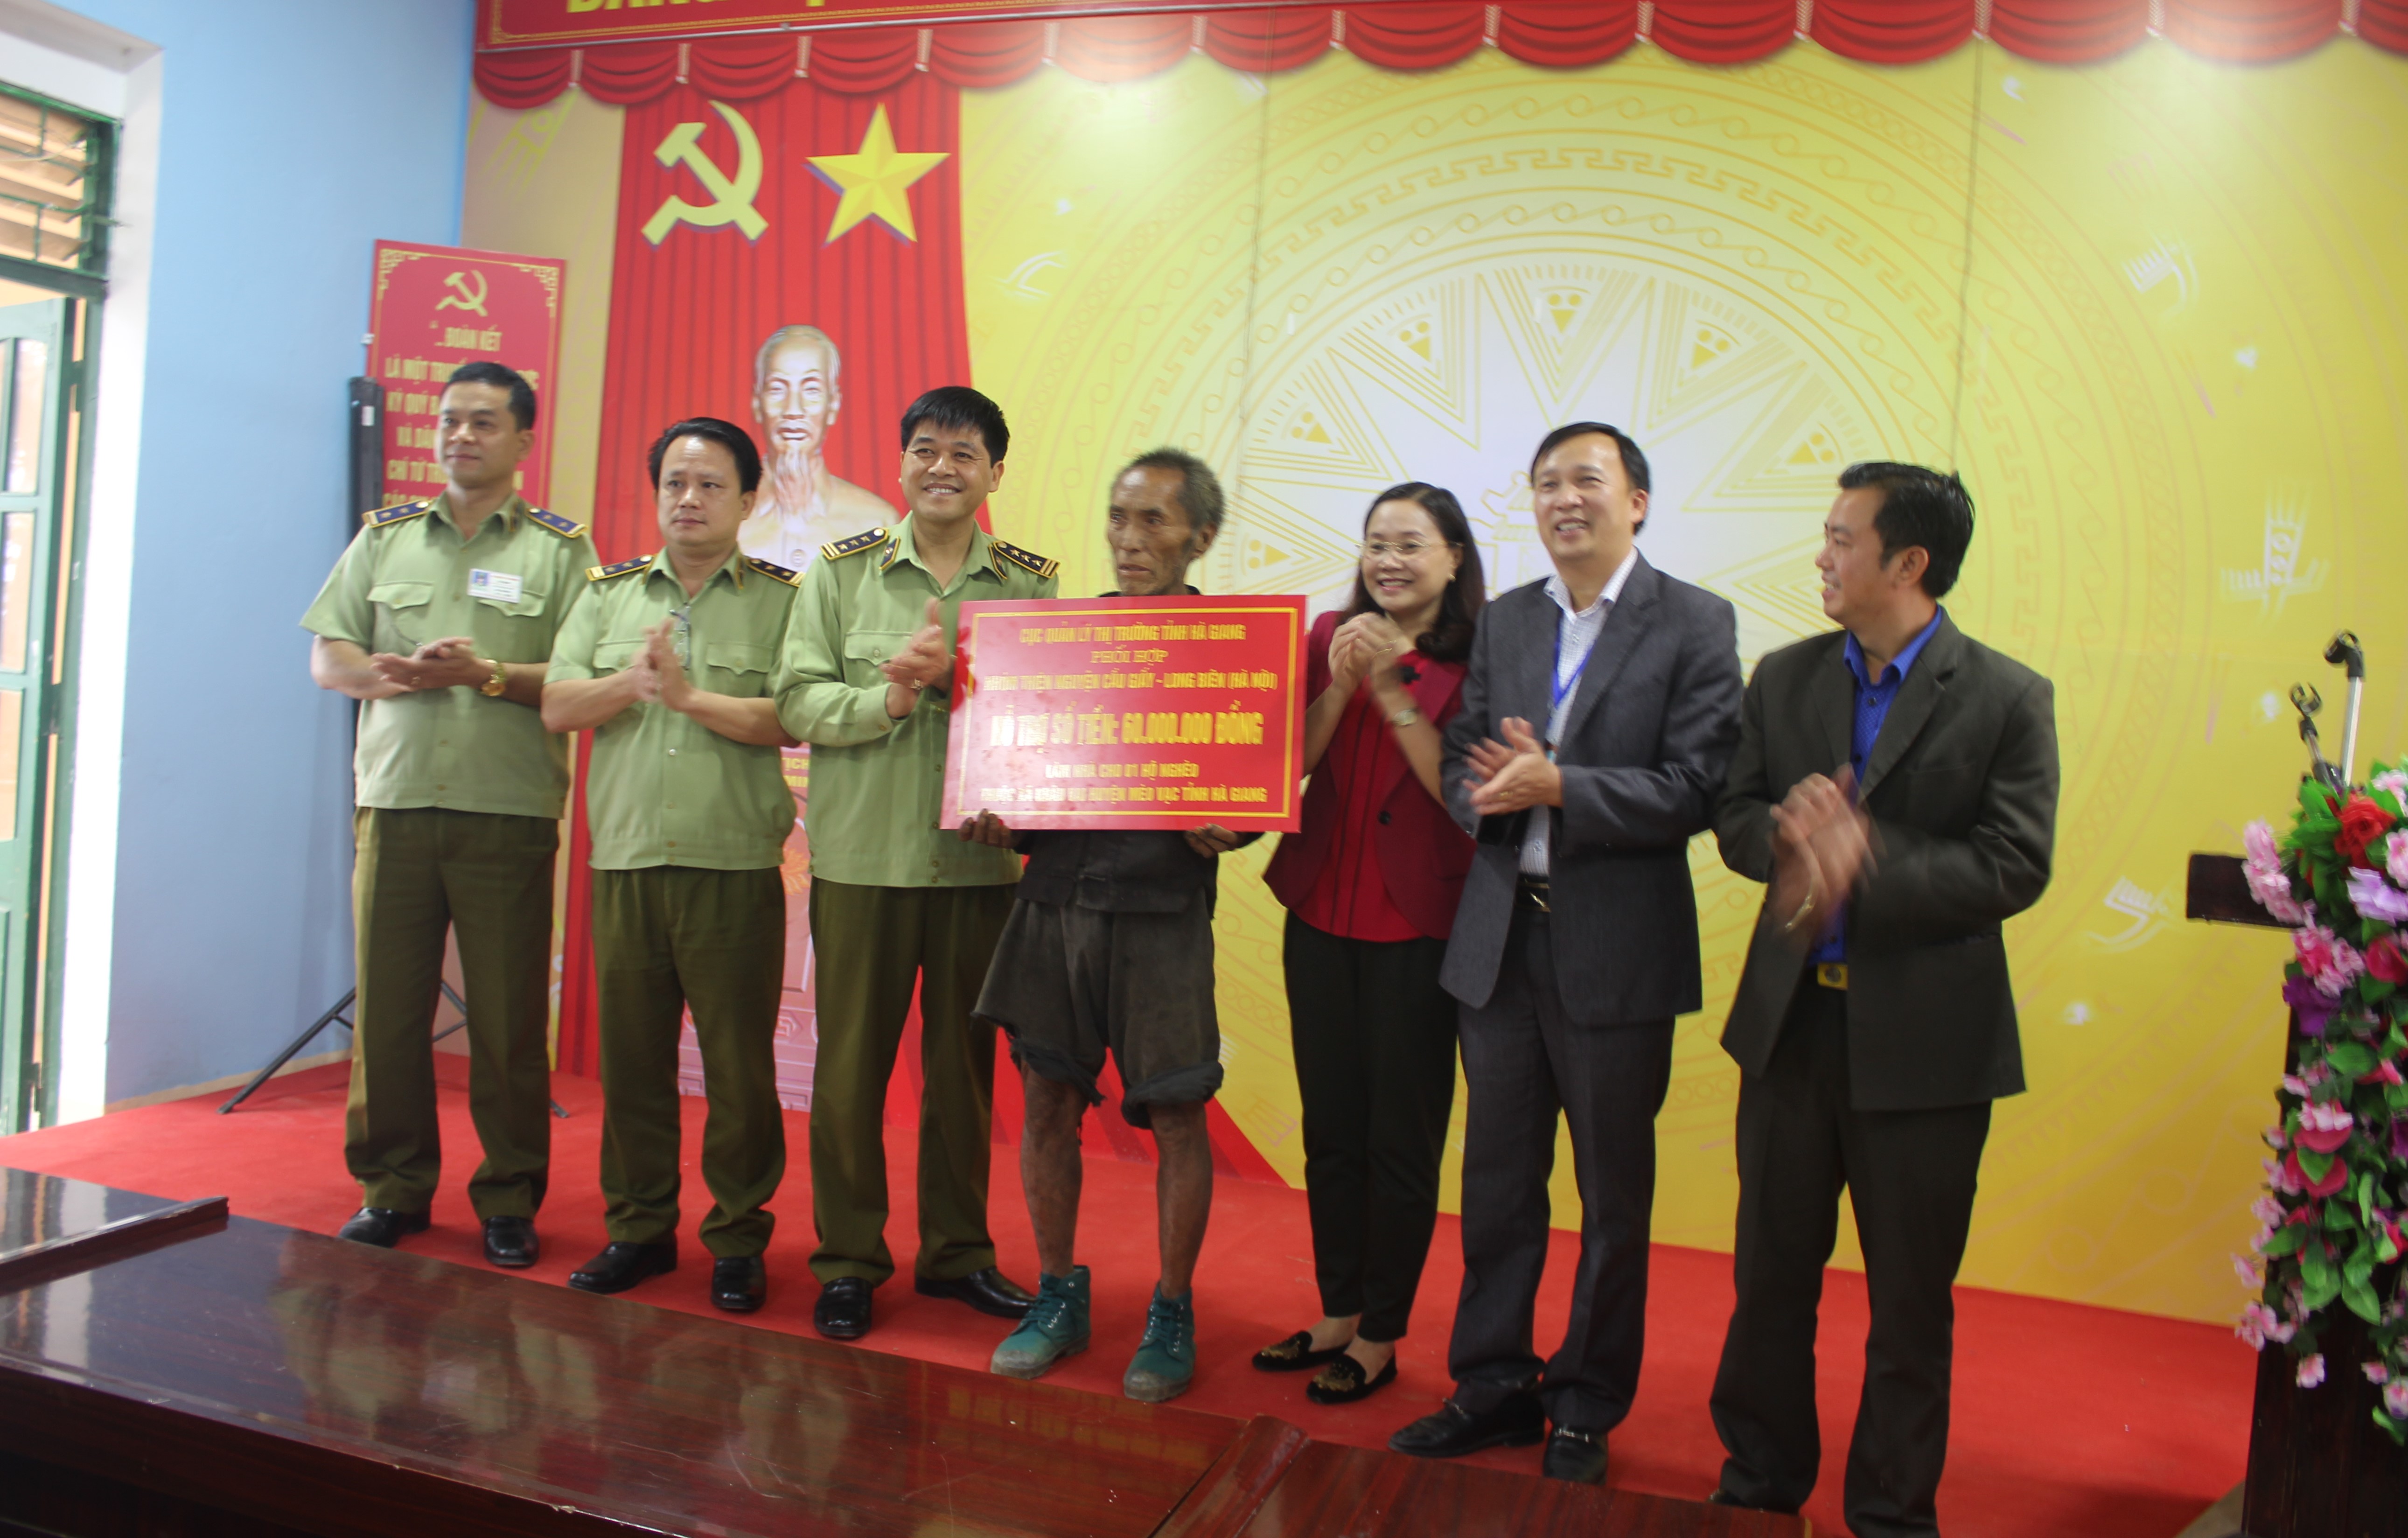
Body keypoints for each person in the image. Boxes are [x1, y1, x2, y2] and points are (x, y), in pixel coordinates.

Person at [1705, 464, 2057, 1536]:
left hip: (1928, 1047)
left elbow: (2014, 863)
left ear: (1907, 562)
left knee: (1909, 1302)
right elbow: (1733, 813)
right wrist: (1786, 837)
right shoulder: (1786, 676)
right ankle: (1759, 1485)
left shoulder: (2006, 695)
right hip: (1792, 1028)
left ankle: (1893, 1513)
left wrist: (1868, 853)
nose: (1820, 555)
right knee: (1769, 1279)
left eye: (1839, 539)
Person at [1389, 422, 1743, 1484]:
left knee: (1611, 1195)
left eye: (1586, 479)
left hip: (1617, 950)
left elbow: (1699, 786)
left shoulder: (1693, 620)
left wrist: (1564, 786)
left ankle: (1586, 1402)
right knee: (1497, 1181)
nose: (1563, 499)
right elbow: (1463, 752)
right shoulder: (1508, 617)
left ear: (1637, 500)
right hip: (1500, 939)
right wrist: (1490, 792)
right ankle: (1491, 1383)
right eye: (1546, 483)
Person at [771, 386, 1057, 1341]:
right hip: (862, 863)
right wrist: (889, 702)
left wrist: (954, 683)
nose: (943, 467)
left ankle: (957, 1254)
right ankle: (849, 1260)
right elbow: (798, 701)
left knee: (963, 1074)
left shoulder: (1027, 587)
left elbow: (1048, 721)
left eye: (964, 454)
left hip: (976, 868)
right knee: (849, 1073)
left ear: (995, 474)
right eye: (926, 448)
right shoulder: (839, 574)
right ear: (900, 464)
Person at [965, 448, 1248, 1405]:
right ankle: (1058, 1294)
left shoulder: (1230, 649)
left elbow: (1249, 782)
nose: (1129, 540)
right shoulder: (1061, 641)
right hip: (1054, 901)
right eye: (1119, 519)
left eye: (1153, 522)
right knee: (1046, 1102)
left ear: (1200, 536)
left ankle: (1172, 1309)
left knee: (1176, 1111)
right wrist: (998, 812)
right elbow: (1022, 778)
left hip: (1163, 910)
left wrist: (1236, 822)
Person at [301, 361, 597, 1265]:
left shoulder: (560, 551)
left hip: (505, 811)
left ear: (523, 439)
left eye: (483, 422)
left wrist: (486, 675)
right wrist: (392, 673)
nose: (461, 436)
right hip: (394, 806)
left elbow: (581, 679)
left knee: (507, 1021)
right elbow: (329, 656)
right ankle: (392, 1188)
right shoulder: (385, 538)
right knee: (390, 1015)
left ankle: (509, 1197)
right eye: (450, 420)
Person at [542, 417, 801, 1313]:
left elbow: (791, 717)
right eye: (674, 484)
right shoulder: (608, 594)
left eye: (710, 485)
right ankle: (639, 1228)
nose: (689, 500)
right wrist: (630, 684)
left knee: (738, 1070)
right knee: (633, 1064)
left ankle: (738, 1238)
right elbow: (556, 704)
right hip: (626, 863)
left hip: (732, 866)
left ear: (748, 499)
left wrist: (689, 698)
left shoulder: (783, 599)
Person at [1252, 483, 1485, 1406]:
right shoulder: (1325, 639)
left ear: (1454, 559)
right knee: (1332, 1131)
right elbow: (1288, 767)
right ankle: (1337, 1311)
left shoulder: (1480, 658)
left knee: (1400, 1141)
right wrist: (1345, 679)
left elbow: (1461, 798)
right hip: (1318, 912)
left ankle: (1383, 1332)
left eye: (1410, 544)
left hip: (1418, 927)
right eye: (1376, 543)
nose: (1388, 560)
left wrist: (1391, 688)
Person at [739, 326, 895, 569]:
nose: (793, 410)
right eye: (778, 389)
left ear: (833, 405)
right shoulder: (723, 522)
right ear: (757, 403)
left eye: (811, 390)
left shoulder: (878, 523)